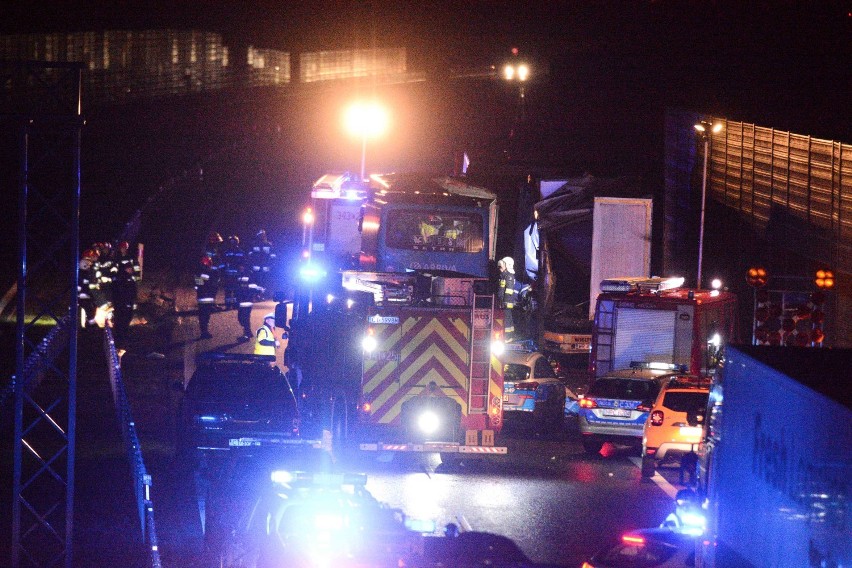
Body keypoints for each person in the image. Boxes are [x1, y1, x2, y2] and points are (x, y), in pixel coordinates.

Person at [111, 241, 141, 344]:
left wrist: (136, 278)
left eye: (124, 248)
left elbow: (136, 269)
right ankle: (119, 337)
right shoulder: (117, 259)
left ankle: (122, 337)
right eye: (122, 248)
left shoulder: (131, 258)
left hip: (126, 295)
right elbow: (114, 270)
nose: (123, 249)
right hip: (122, 297)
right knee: (121, 318)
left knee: (124, 318)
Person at [236, 262, 264, 341]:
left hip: (247, 300)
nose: (240, 268)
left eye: (242, 266)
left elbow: (253, 286)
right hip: (241, 300)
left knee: (244, 318)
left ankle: (246, 334)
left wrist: (246, 289)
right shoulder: (240, 275)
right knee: (241, 318)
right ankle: (248, 332)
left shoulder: (249, 275)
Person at [194, 254, 217, 339]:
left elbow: (198, 286)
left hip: (203, 297)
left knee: (204, 315)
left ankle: (204, 331)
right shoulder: (208, 272)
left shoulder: (199, 272)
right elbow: (213, 285)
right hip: (207, 297)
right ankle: (204, 332)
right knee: (205, 316)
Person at [249, 229, 276, 295]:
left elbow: (273, 256)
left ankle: (263, 294)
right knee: (256, 282)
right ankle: (257, 294)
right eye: (260, 235)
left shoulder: (269, 245)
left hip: (265, 267)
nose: (262, 237)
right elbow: (250, 255)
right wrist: (250, 265)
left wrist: (272, 265)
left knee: (264, 281)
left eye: (263, 235)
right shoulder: (254, 244)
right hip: (256, 267)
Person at [497, 256, 517, 341]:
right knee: (508, 319)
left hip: (506, 302)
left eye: (502, 266)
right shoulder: (504, 276)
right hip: (504, 302)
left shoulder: (509, 276)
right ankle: (510, 336)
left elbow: (509, 290)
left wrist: (505, 301)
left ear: (507, 266)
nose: (500, 268)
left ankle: (508, 337)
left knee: (507, 320)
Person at [221, 234, 244, 310]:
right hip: (228, 274)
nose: (233, 243)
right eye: (231, 241)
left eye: (234, 241)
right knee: (228, 290)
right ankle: (228, 305)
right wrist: (222, 272)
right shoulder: (226, 252)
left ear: (237, 242)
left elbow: (244, 263)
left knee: (236, 290)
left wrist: (242, 270)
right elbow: (223, 262)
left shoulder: (241, 252)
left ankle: (235, 304)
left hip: (237, 275)